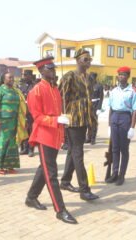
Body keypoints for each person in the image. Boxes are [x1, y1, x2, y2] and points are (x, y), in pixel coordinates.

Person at [26, 57, 77, 224]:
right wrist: (56, 120)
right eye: (50, 69)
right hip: (44, 136)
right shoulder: (36, 91)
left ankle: (31, 197)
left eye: (54, 68)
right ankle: (60, 210)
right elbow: (37, 117)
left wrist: (61, 120)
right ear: (42, 71)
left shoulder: (54, 89)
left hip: (55, 135)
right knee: (51, 174)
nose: (54, 71)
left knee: (45, 168)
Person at [59, 49, 99, 201]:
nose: (88, 62)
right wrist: (63, 117)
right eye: (85, 60)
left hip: (85, 118)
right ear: (77, 61)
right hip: (73, 118)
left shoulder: (89, 78)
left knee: (73, 151)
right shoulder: (69, 76)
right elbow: (61, 98)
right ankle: (84, 189)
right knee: (78, 152)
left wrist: (92, 121)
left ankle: (65, 181)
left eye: (89, 60)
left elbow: (89, 101)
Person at [105, 66, 136, 185]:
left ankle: (122, 175)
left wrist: (132, 127)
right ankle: (114, 173)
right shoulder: (114, 91)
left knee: (124, 149)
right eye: (120, 75)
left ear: (128, 77)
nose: (121, 77)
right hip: (115, 117)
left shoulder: (133, 91)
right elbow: (110, 108)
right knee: (115, 148)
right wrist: (109, 125)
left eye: (124, 75)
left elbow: (135, 110)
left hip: (126, 118)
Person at [0, 72, 27, 174]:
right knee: (3, 142)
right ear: (3, 79)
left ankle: (10, 165)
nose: (12, 79)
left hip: (15, 120)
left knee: (13, 143)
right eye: (9, 77)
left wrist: (23, 119)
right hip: (4, 121)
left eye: (12, 77)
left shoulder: (16, 91)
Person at [19, 69, 36, 157]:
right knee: (24, 130)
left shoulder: (34, 86)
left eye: (26, 75)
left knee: (31, 130)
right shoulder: (21, 87)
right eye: (24, 75)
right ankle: (25, 148)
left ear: (30, 76)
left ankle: (31, 149)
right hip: (23, 111)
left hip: (32, 112)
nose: (25, 77)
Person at [86, 72, 104, 145]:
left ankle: (93, 138)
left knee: (94, 123)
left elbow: (101, 97)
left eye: (92, 78)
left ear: (95, 78)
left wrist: (99, 108)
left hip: (95, 106)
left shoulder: (99, 86)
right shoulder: (88, 86)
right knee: (88, 123)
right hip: (88, 106)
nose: (90, 79)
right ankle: (88, 137)